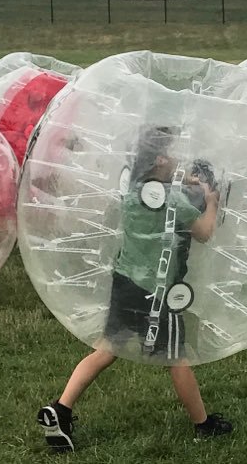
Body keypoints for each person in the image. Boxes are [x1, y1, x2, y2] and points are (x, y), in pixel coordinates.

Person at [37, 126, 231, 454]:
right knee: (177, 359)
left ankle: (61, 408)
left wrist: (185, 181)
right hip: (156, 294)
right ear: (157, 159)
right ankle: (203, 424)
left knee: (105, 350)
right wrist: (211, 201)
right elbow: (204, 232)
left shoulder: (133, 190)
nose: (175, 159)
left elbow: (162, 188)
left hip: (125, 282)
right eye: (169, 153)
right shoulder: (173, 201)